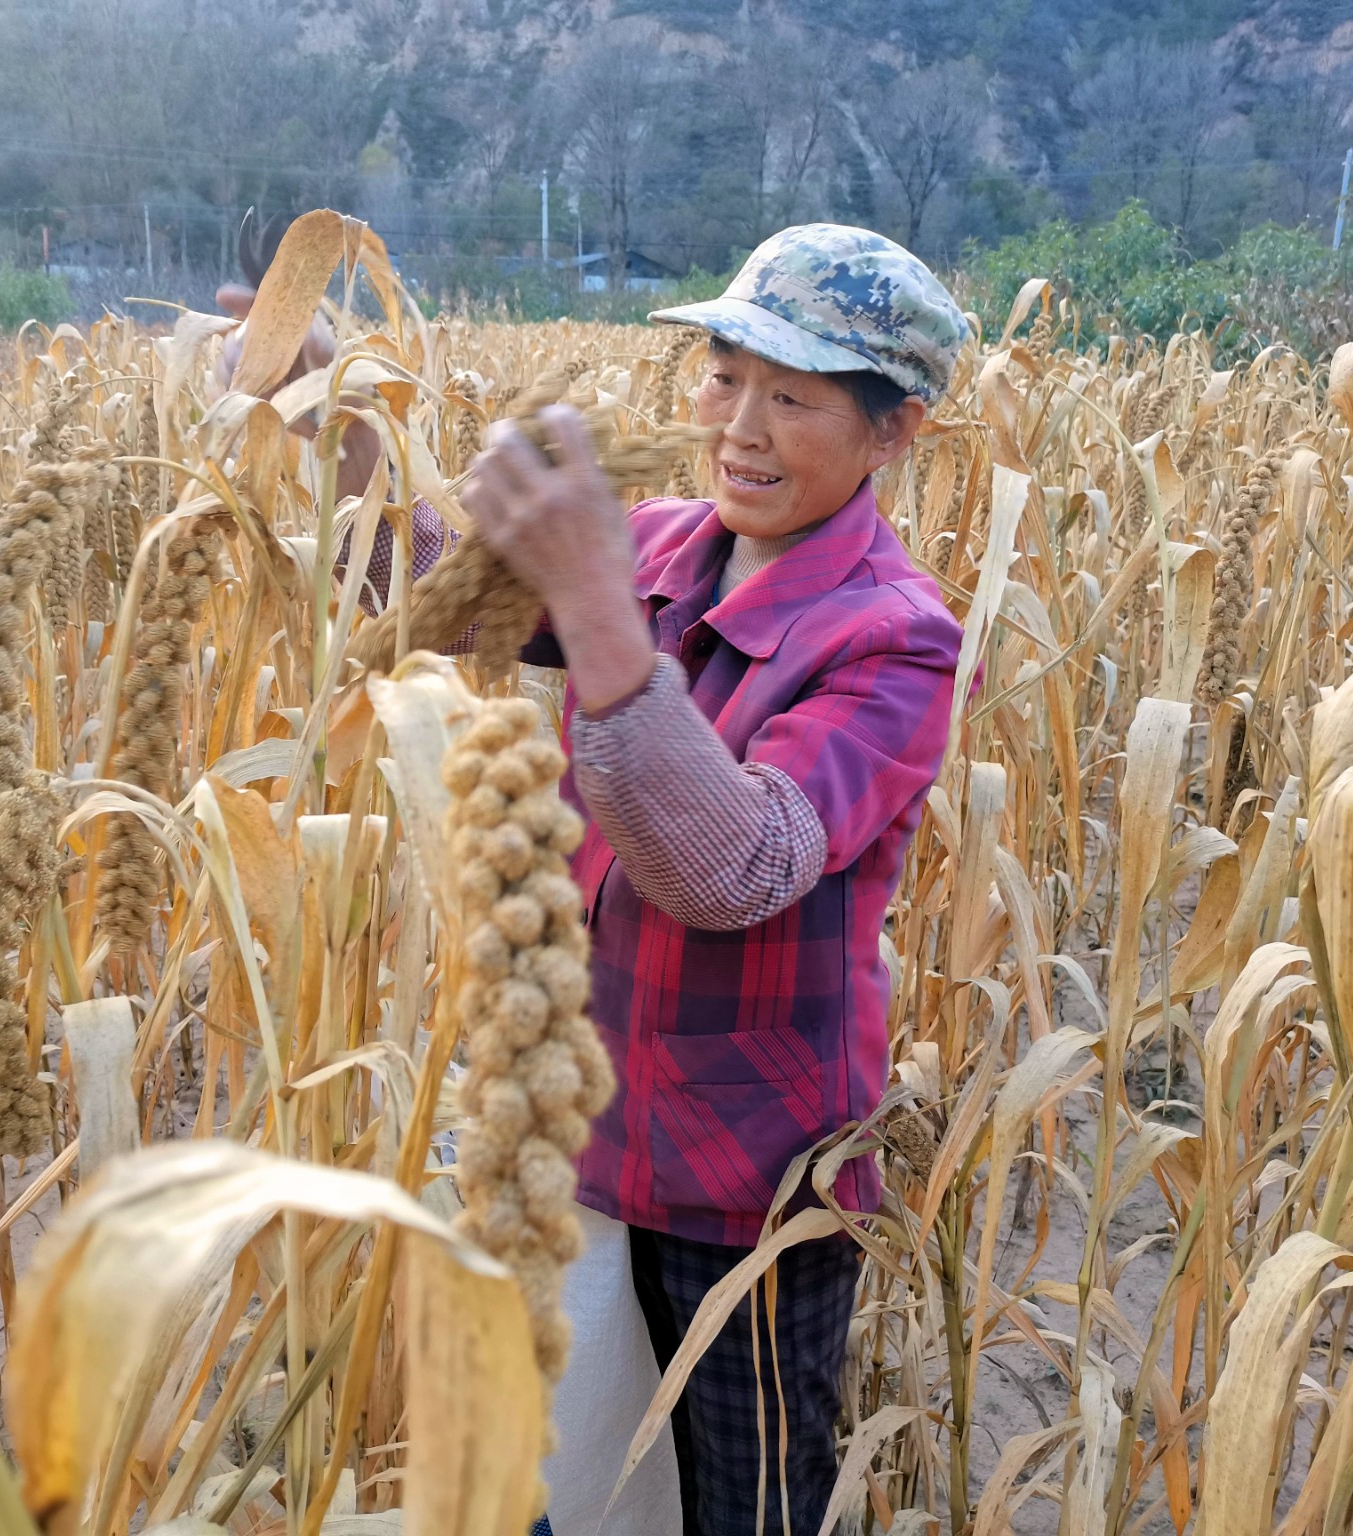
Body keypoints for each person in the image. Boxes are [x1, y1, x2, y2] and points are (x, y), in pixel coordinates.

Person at [456, 224, 968, 1536]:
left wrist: (598, 613)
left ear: (891, 431)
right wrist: (324, 418)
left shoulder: (892, 638)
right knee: (572, 1488)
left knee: (746, 1508)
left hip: (753, 1189)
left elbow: (731, 867)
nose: (738, 422)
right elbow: (448, 602)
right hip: (588, 1138)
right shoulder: (665, 547)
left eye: (792, 396)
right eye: (723, 373)